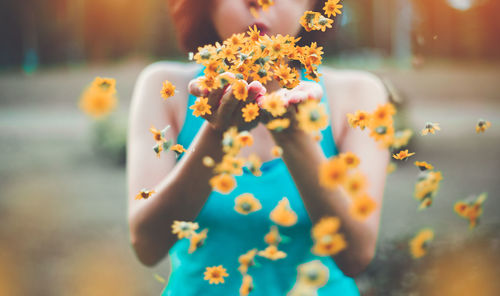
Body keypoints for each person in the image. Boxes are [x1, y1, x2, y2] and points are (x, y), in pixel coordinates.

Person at [127, 0, 389, 295]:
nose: (258, 2)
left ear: (313, 5)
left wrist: (291, 133)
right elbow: (147, 247)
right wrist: (217, 132)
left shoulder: (358, 95)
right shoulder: (166, 88)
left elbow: (356, 256)